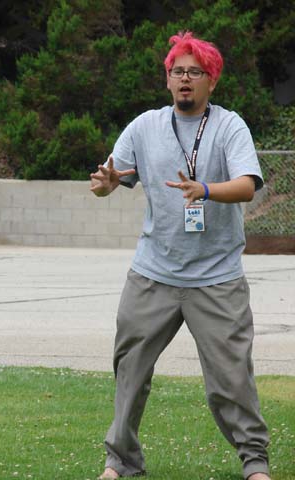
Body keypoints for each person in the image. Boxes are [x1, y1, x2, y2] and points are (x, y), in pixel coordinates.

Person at [90, 32, 270, 480]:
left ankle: (255, 462)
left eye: (195, 72)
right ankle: (120, 461)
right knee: (130, 371)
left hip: (217, 277)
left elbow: (247, 185)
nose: (185, 79)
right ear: (168, 79)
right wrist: (107, 184)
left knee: (231, 380)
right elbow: (114, 175)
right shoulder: (144, 127)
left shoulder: (229, 127)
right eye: (178, 71)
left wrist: (204, 189)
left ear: (212, 81)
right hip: (153, 274)